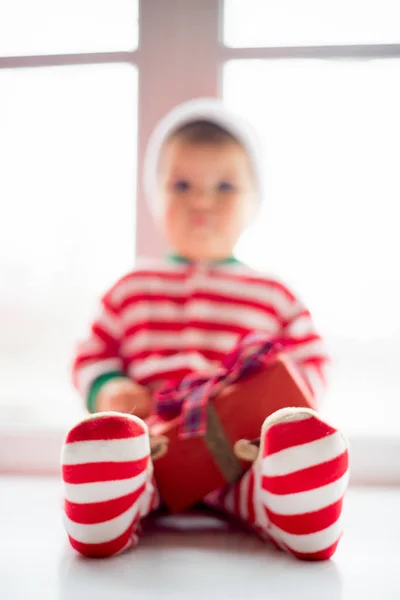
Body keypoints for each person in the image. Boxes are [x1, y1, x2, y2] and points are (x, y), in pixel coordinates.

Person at [62, 98, 349, 561]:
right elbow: (92, 353)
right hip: (155, 448)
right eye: (181, 185)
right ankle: (108, 503)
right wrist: (110, 389)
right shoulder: (132, 288)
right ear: (156, 197)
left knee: (269, 475)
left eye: (224, 187)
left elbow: (311, 361)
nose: (201, 201)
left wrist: (282, 415)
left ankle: (299, 506)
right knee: (127, 462)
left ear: (255, 202)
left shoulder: (273, 294)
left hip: (240, 455)